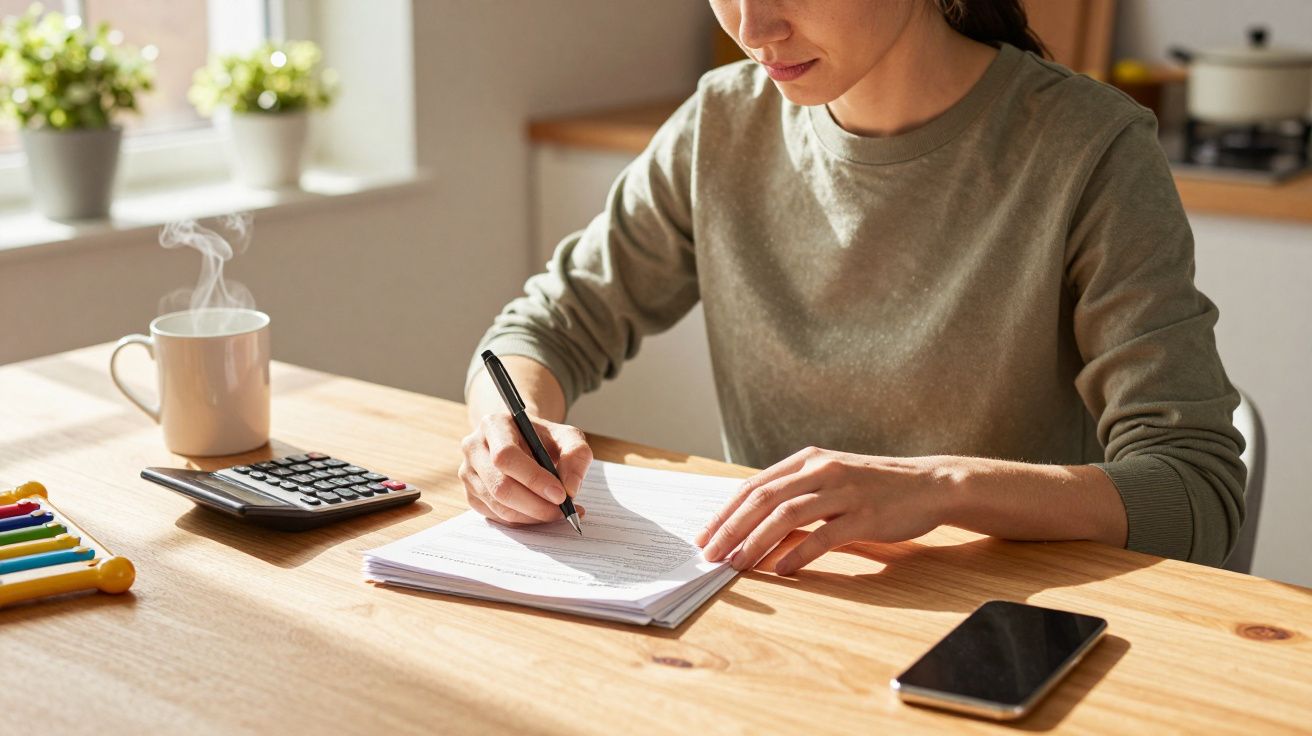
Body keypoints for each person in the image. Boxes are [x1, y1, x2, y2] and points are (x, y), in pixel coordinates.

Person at [459, 0, 1246, 575]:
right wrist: (510, 428)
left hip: (1002, 632)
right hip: (781, 614)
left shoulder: (1089, 149)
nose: (752, 28)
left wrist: (943, 486)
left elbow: (1194, 493)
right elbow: (545, 328)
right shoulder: (721, 125)